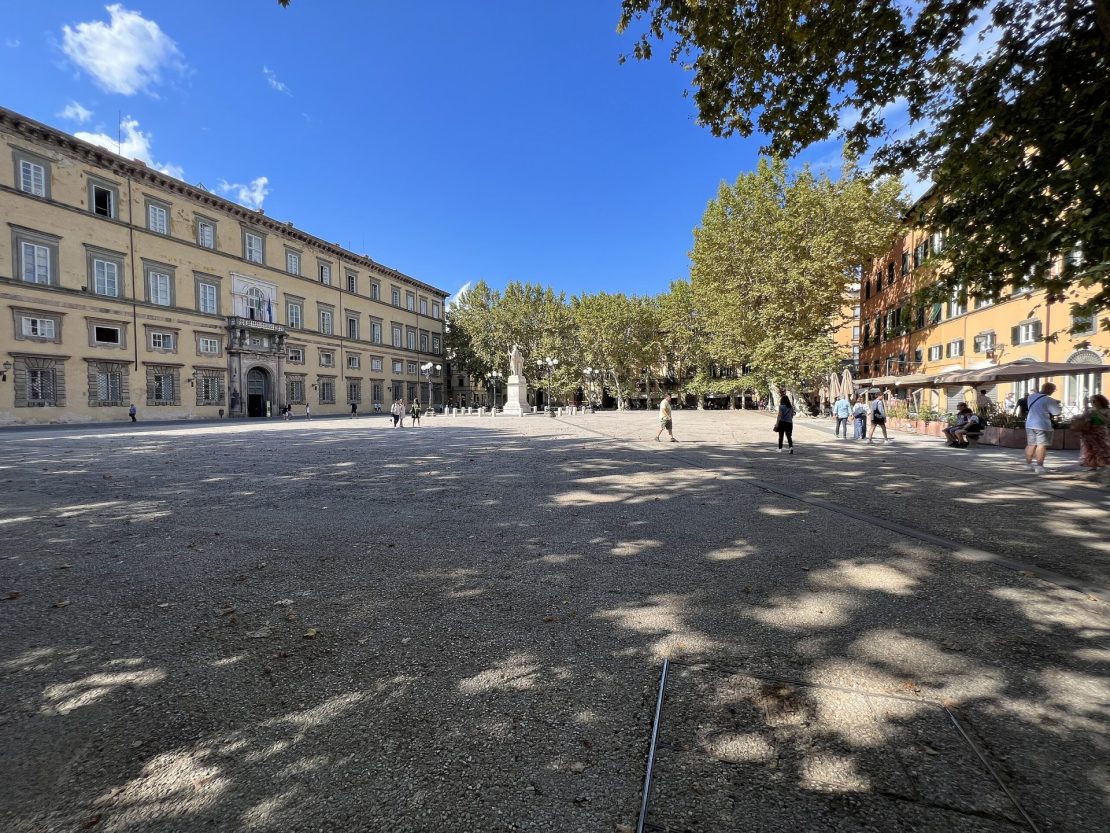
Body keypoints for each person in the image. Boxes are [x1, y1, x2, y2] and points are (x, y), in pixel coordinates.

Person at [1023, 382, 1061, 474]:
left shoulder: (1031, 396)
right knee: (1041, 445)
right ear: (1049, 389)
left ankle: (1028, 464)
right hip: (1042, 425)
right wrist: (1056, 404)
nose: (1053, 392)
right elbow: (1056, 412)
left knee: (1031, 444)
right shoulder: (1049, 400)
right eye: (1053, 390)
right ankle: (1039, 466)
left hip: (1029, 424)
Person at [1073, 394, 1110, 476]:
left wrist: (1097, 412)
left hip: (1100, 431)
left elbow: (1107, 421)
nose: (1092, 403)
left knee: (1101, 448)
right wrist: (1084, 408)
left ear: (1100, 401)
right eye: (1091, 401)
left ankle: (1102, 464)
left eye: (1094, 401)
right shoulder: (1090, 410)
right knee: (1089, 449)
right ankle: (1092, 465)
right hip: (1088, 431)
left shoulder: (1106, 410)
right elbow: (1083, 417)